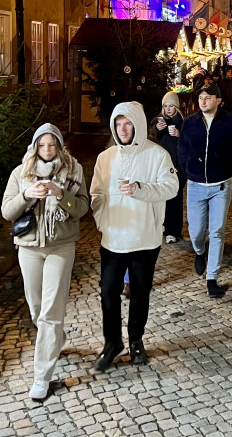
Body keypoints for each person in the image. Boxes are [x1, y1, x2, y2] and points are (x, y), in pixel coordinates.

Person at [1, 124, 89, 401]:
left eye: (53, 145)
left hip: (60, 247)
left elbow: (83, 209)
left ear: (60, 147)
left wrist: (62, 196)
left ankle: (42, 377)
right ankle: (56, 341)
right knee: (36, 308)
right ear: (35, 146)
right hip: (28, 248)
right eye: (43, 145)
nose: (48, 150)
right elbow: (6, 212)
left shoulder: (74, 172)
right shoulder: (21, 173)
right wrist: (27, 195)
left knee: (51, 312)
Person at [90, 102, 179, 371]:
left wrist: (141, 189)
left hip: (144, 238)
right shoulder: (106, 158)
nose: (123, 129)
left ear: (138, 124)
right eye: (118, 124)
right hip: (114, 239)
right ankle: (112, 342)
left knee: (140, 293)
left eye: (127, 123)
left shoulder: (158, 155)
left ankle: (136, 340)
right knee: (108, 292)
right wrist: (102, 221)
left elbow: (171, 187)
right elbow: (96, 194)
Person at [178, 83, 232, 298]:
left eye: (208, 97)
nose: (203, 101)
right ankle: (200, 252)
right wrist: (189, 170)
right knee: (196, 231)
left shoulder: (231, 123)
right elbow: (182, 150)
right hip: (196, 186)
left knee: (217, 231)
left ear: (219, 100)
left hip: (221, 186)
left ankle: (212, 277)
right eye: (200, 97)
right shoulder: (190, 123)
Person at [150, 91, 186, 244]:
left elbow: (189, 143)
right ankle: (161, 227)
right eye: (165, 106)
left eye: (171, 106)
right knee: (160, 198)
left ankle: (173, 230)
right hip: (160, 166)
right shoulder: (157, 121)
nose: (168, 109)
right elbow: (150, 140)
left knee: (175, 199)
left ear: (176, 107)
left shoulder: (183, 123)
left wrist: (179, 135)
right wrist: (157, 129)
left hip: (177, 165)